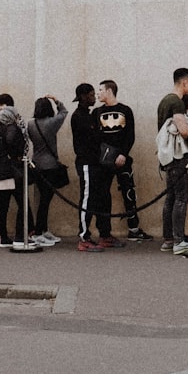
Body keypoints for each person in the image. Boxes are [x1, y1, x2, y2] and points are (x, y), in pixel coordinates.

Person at [93, 80, 152, 243]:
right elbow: (95, 138)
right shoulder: (97, 112)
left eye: (100, 90)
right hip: (104, 161)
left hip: (122, 159)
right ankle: (104, 231)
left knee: (129, 193)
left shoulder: (125, 110)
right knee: (102, 194)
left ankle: (134, 228)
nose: (98, 93)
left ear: (109, 91)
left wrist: (123, 154)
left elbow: (129, 135)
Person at [157, 67, 188, 254]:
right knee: (181, 198)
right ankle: (179, 241)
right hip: (179, 156)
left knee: (170, 199)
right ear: (185, 82)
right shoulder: (177, 102)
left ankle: (168, 239)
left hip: (166, 157)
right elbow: (184, 130)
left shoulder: (164, 101)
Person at [0, 94, 29, 248]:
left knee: (2, 206)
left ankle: (4, 237)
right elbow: (15, 145)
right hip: (12, 172)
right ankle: (19, 235)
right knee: (22, 204)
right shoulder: (13, 129)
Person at [26, 94, 66, 246]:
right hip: (50, 166)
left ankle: (43, 230)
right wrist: (56, 100)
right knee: (45, 201)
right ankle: (39, 232)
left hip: (37, 165)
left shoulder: (31, 124)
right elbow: (64, 112)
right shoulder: (52, 123)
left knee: (43, 199)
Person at [71, 82, 106, 252]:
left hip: (94, 162)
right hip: (85, 163)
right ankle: (83, 237)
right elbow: (93, 138)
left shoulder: (89, 115)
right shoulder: (79, 116)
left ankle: (97, 233)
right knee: (86, 199)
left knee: (94, 199)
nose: (94, 98)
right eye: (92, 95)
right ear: (84, 97)